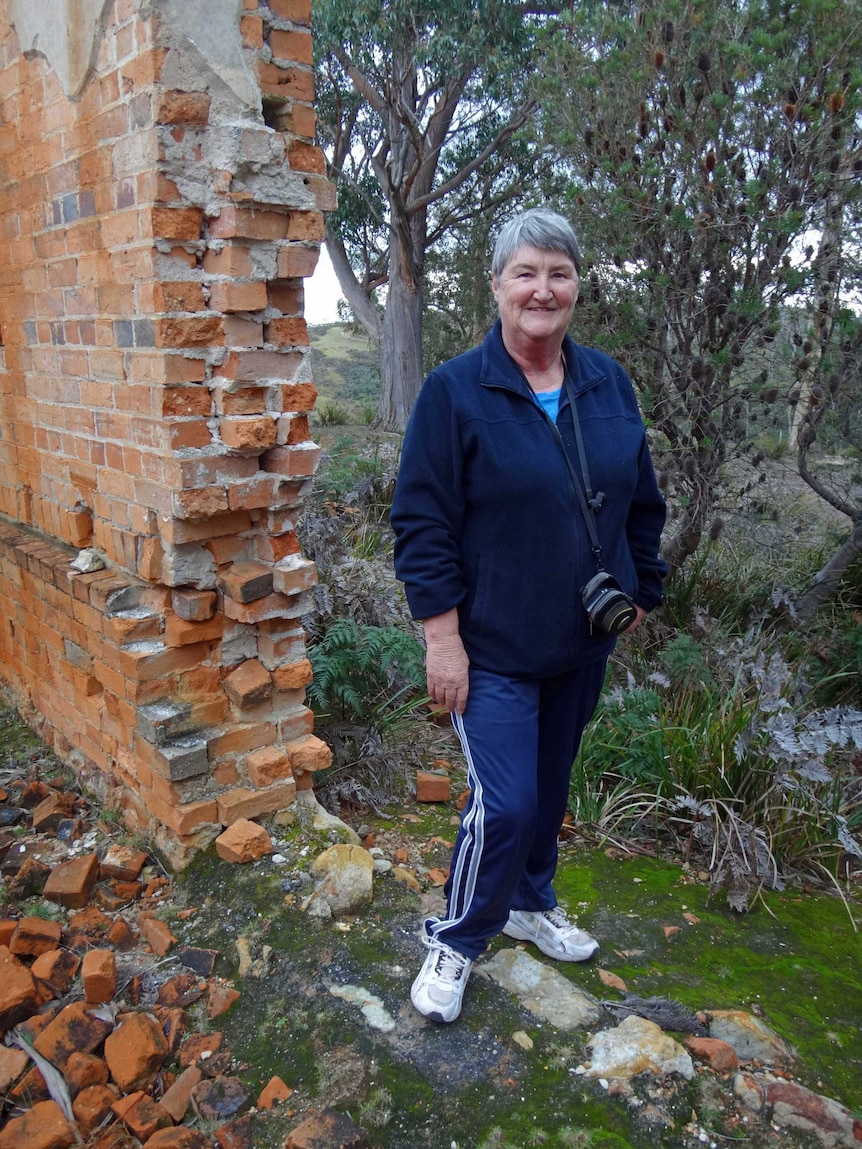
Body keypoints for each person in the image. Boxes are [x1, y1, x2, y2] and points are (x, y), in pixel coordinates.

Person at [390, 207, 667, 1023]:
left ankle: (530, 901)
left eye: (559, 273)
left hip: (581, 642)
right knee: (504, 803)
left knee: (548, 792)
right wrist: (442, 639)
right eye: (526, 273)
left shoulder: (606, 382)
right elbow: (421, 521)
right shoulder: (454, 392)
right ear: (498, 287)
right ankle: (459, 934)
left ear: (578, 285)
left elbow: (640, 499)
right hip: (493, 648)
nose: (543, 289)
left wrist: (642, 588)